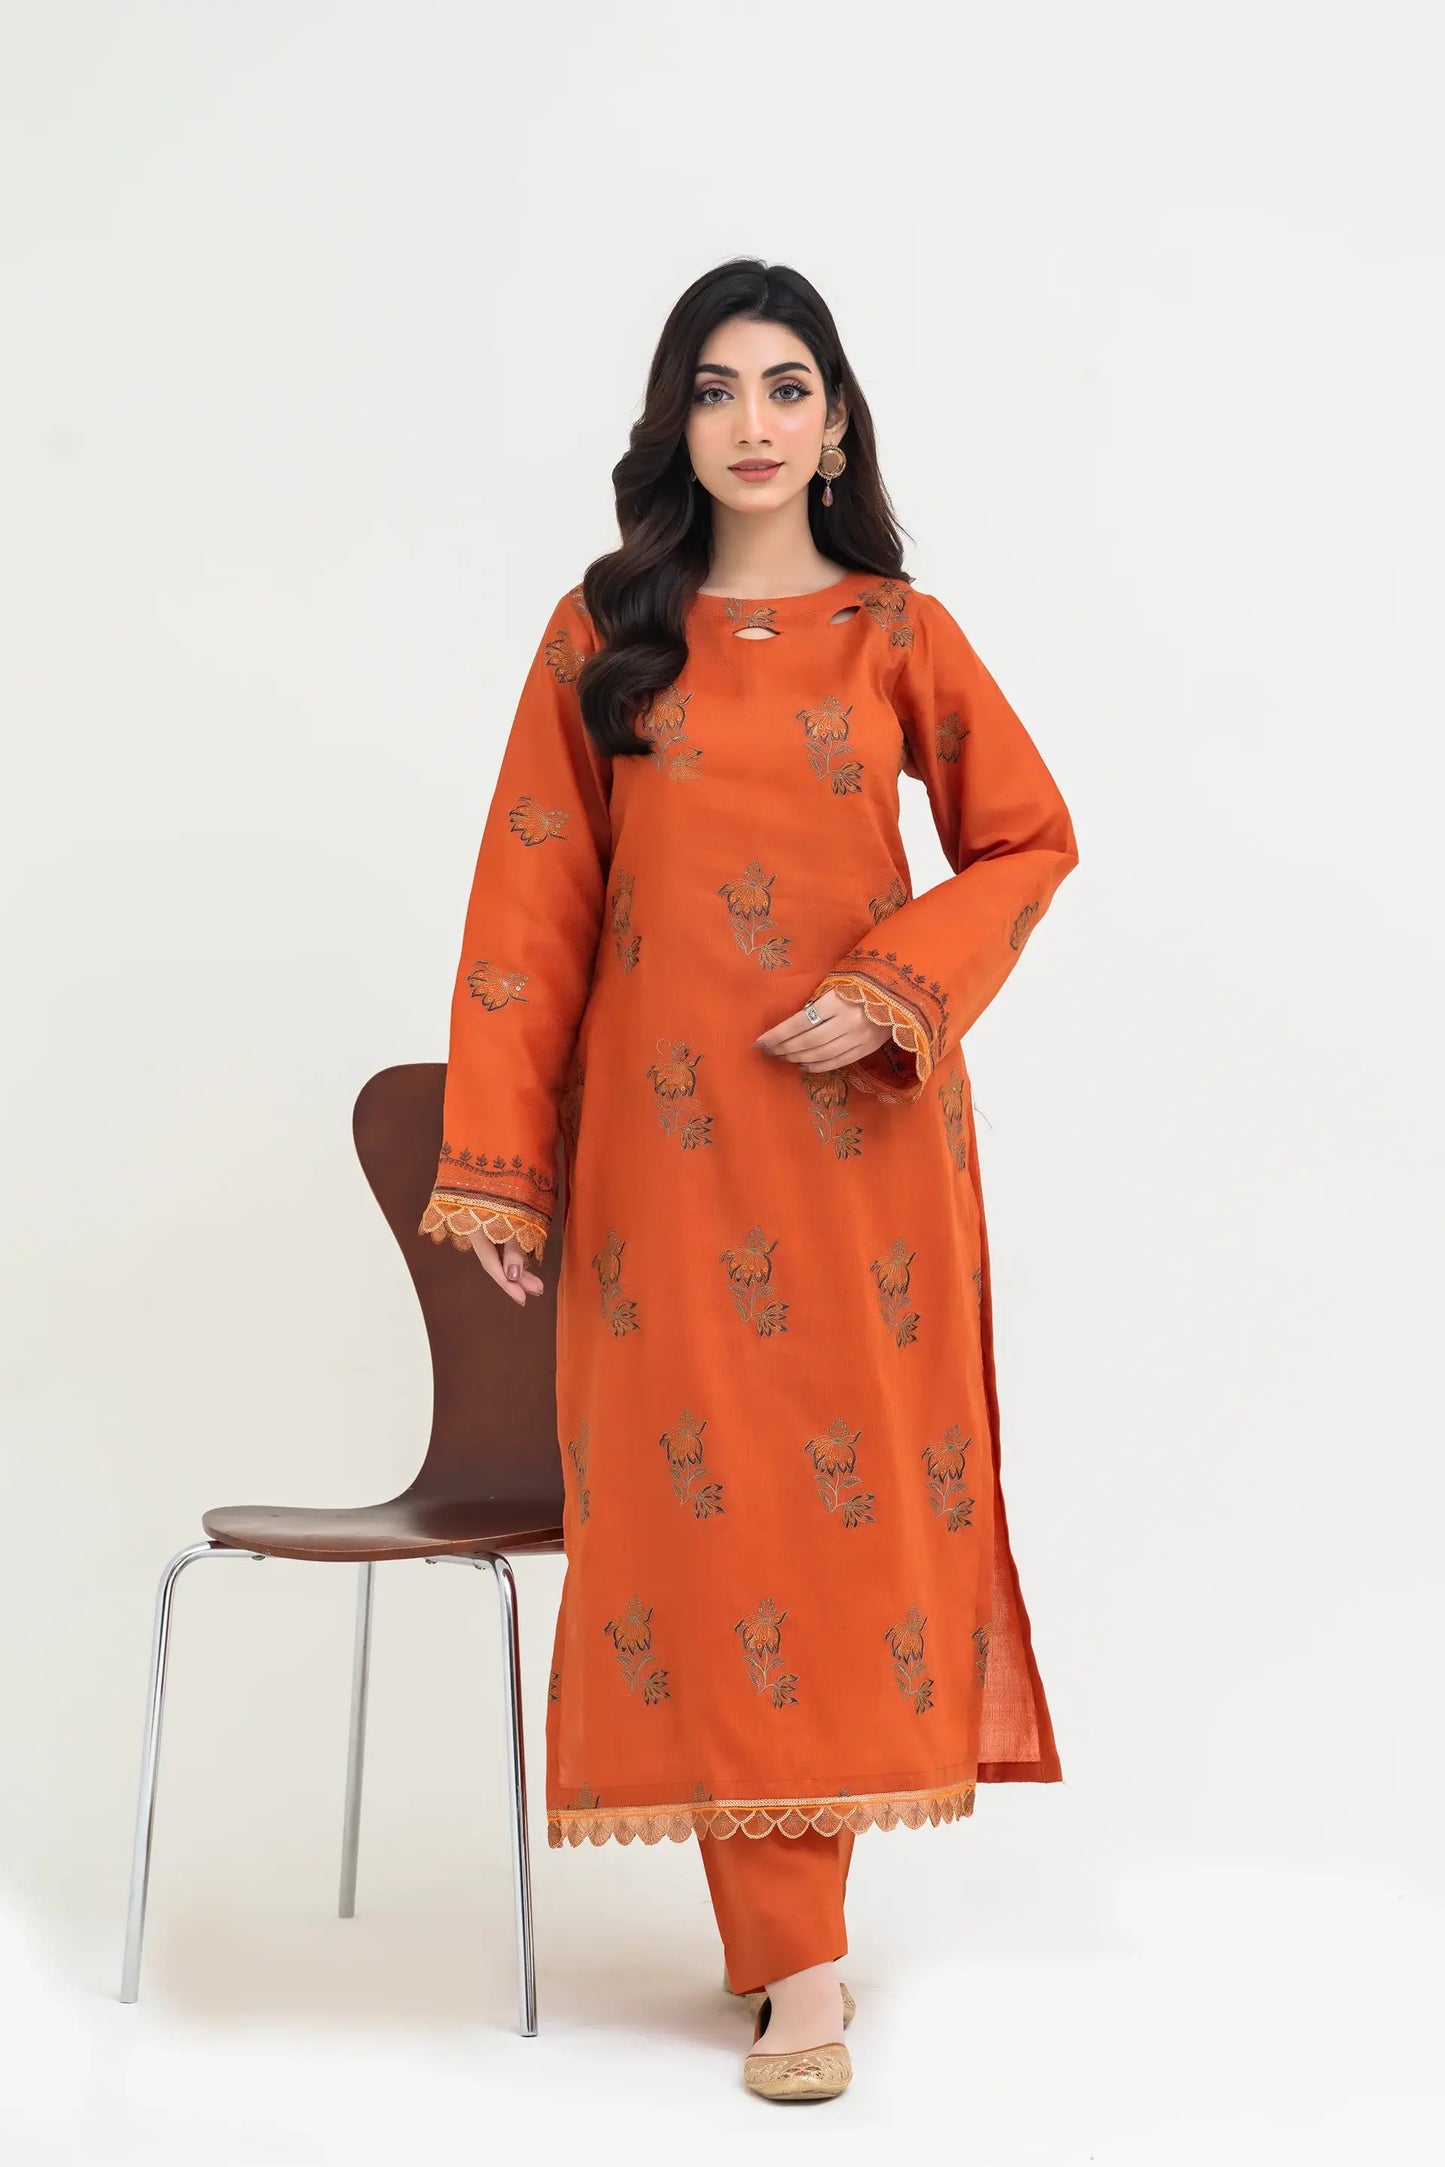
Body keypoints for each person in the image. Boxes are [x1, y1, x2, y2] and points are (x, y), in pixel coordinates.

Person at [418, 258, 1079, 2102]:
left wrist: (893, 988)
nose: (756, 422)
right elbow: (526, 914)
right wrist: (502, 1173)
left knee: (844, 1517)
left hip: (863, 1153)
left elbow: (1027, 840)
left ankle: (788, 1942)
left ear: (838, 422)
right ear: (674, 425)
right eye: (716, 390)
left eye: (788, 387)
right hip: (662, 1175)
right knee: (706, 1528)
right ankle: (795, 1964)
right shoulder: (601, 634)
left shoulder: (899, 636)